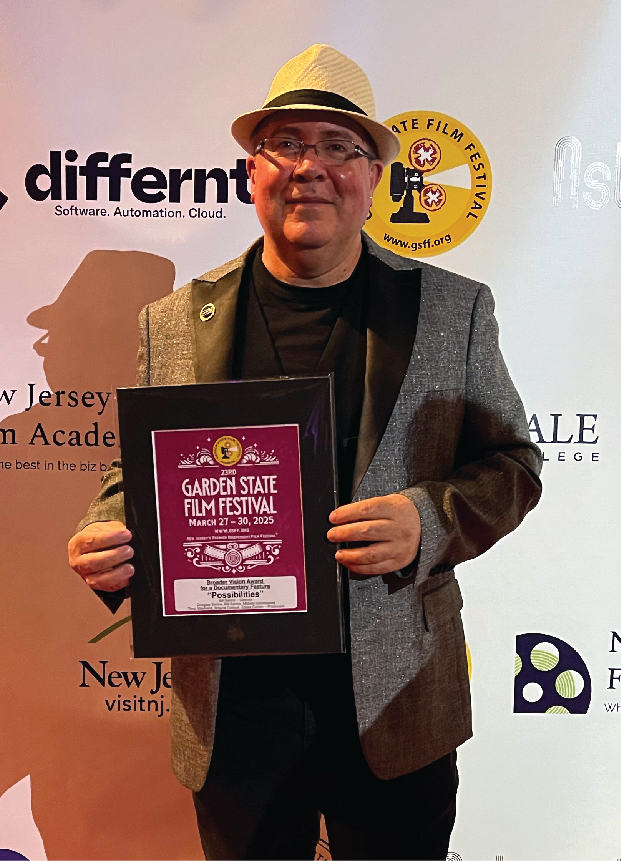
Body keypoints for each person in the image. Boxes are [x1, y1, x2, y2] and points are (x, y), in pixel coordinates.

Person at [68, 44, 542, 860]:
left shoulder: (451, 310)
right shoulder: (173, 320)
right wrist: (107, 529)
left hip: (394, 699)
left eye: (337, 146)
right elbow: (136, 472)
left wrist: (426, 520)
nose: (309, 167)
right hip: (235, 710)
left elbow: (513, 465)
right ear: (252, 171)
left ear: (373, 176)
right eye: (284, 143)